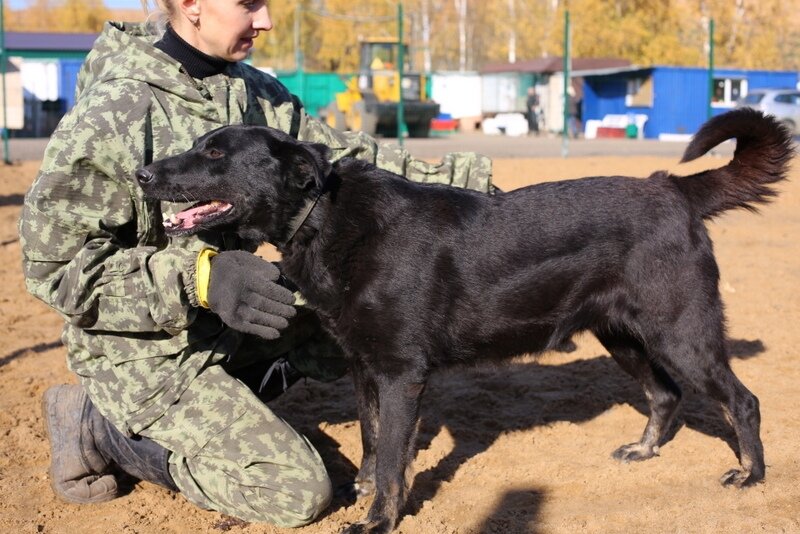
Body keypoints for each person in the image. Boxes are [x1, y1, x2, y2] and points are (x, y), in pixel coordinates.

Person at [19, 0, 493, 528]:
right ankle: (98, 426)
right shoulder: (115, 113)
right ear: (192, 5)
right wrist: (198, 278)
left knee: (367, 322)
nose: (265, 20)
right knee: (294, 491)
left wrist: (473, 185)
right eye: (249, 4)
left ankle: (232, 399)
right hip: (146, 350)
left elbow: (345, 158)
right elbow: (55, 269)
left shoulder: (255, 93)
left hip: (230, 322)